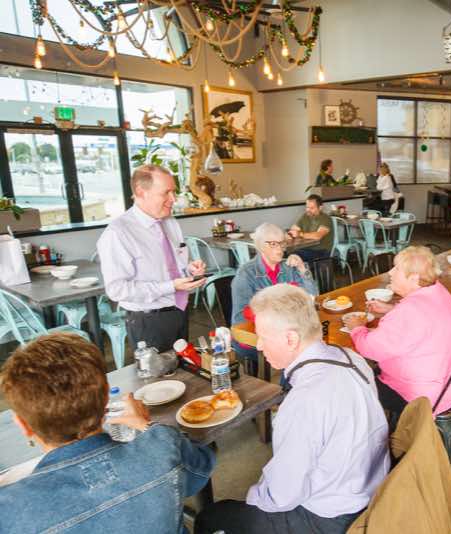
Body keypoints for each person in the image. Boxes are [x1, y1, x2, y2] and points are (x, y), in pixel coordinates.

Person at [195, 284, 389, 534]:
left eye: (263, 337)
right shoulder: (352, 358)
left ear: (291, 339)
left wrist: (255, 499)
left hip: (332, 517)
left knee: (212, 517)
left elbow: (282, 496)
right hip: (373, 487)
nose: (259, 346)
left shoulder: (304, 400)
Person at [0, 333, 215, 533]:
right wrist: (146, 425)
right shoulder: (163, 445)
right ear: (105, 398)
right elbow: (201, 470)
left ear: (23, 425)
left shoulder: (10, 508)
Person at [343, 246, 451, 419]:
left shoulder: (409, 312)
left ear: (414, 278)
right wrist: (392, 308)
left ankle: (370, 432)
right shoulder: (438, 291)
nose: (390, 272)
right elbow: (424, 317)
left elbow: (370, 349)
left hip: (422, 397)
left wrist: (357, 327)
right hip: (450, 383)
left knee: (350, 383)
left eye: (397, 269)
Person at [97, 164, 206, 352]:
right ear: (141, 192)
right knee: (159, 371)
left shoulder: (170, 221)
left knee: (183, 367)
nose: (173, 199)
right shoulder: (118, 233)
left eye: (174, 192)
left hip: (179, 311)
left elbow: (171, 265)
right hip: (148, 320)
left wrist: (189, 269)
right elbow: (117, 290)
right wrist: (171, 286)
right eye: (166, 193)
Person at [231, 223, 319, 368]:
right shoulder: (246, 274)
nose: (280, 249)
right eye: (273, 244)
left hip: (288, 330)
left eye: (282, 243)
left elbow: (312, 296)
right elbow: (240, 319)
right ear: (260, 246)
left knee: (311, 344)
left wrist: (302, 268)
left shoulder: (289, 268)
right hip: (255, 336)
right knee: (302, 350)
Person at [289, 194, 333, 263]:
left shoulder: (326, 219)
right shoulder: (305, 216)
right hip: (306, 248)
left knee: (294, 255)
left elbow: (317, 236)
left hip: (321, 251)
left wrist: (300, 234)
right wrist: (290, 234)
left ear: (320, 208)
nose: (308, 210)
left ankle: (301, 269)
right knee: (286, 253)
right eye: (307, 207)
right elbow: (294, 229)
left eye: (312, 208)